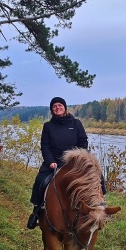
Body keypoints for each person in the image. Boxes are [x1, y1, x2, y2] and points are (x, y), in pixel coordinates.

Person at [26, 96, 91, 229]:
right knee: (40, 182)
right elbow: (45, 146)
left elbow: (83, 142)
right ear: (52, 110)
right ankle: (36, 212)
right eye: (54, 106)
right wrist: (50, 162)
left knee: (97, 178)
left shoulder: (76, 123)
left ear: (65, 107)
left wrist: (78, 158)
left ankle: (99, 207)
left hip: (74, 164)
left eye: (60, 105)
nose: (57, 108)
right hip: (54, 163)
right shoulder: (48, 126)